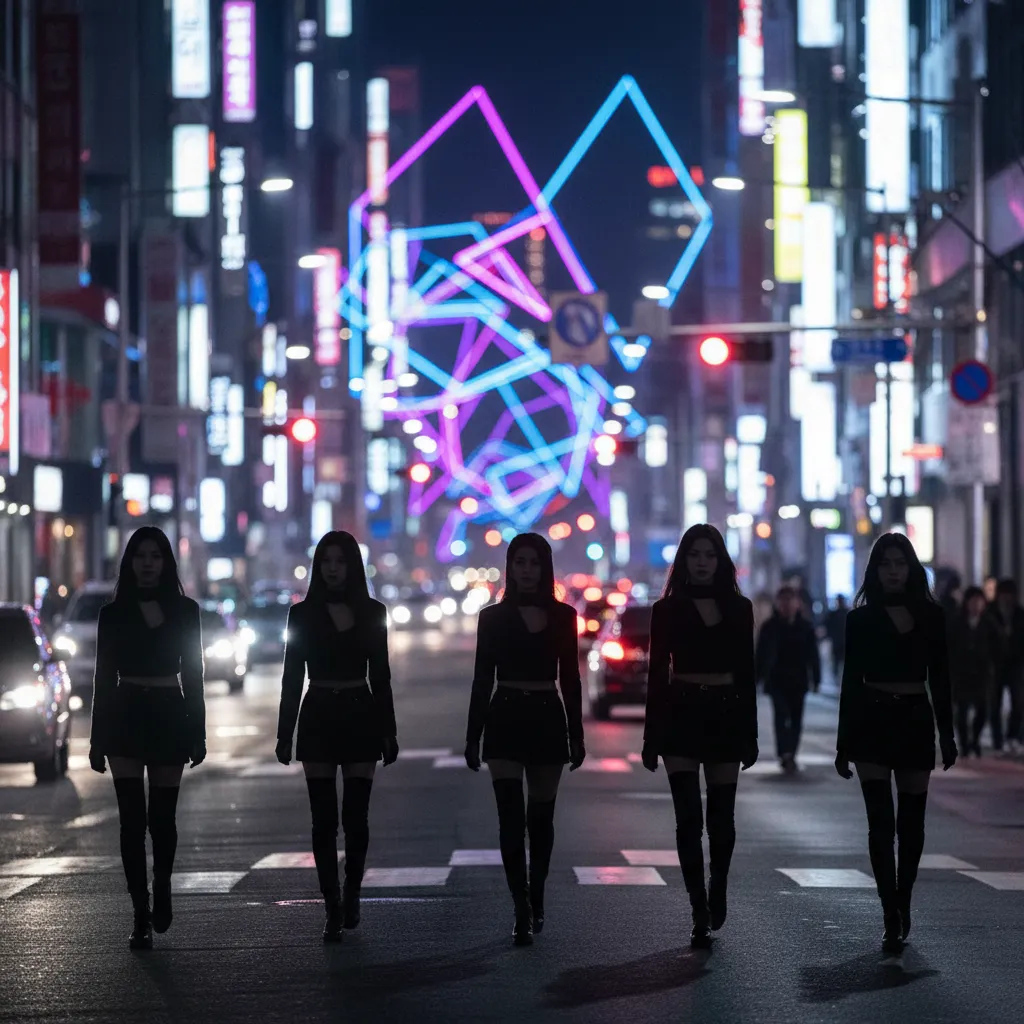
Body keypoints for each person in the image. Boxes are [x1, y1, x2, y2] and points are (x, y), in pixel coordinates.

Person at [835, 533, 956, 954]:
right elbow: (850, 681)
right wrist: (842, 742)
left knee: (913, 825)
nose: (892, 570)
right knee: (880, 824)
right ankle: (889, 908)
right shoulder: (860, 619)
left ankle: (904, 897)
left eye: (899, 563)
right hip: (870, 718)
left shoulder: (931, 615)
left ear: (911, 568)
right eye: (885, 564)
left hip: (915, 718)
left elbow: (940, 679)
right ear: (875, 570)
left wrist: (949, 734)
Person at [275, 531, 398, 942]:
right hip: (318, 713)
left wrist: (389, 732)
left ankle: (354, 892)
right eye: (326, 561)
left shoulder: (373, 611)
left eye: (340, 561)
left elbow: (381, 676)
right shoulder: (302, 615)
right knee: (323, 820)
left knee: (356, 818)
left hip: (361, 711)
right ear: (317, 566)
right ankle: (331, 904)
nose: (332, 568)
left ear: (352, 567)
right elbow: (292, 678)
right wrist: (283, 734)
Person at [465, 533, 585, 946]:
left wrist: (577, 734)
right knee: (510, 820)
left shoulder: (564, 616)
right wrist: (472, 736)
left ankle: (538, 893)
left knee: (541, 820)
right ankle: (520, 905)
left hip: (548, 716)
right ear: (509, 568)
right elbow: (482, 679)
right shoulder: (492, 618)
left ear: (544, 568)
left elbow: (571, 678)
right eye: (519, 563)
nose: (527, 570)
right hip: (505, 715)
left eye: (534, 563)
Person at [89, 527, 206, 950]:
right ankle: (139, 911)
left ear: (166, 562)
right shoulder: (112, 613)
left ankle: (163, 885)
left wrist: (199, 732)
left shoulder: (185, 611)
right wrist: (96, 739)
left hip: (169, 713)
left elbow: (194, 674)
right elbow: (103, 678)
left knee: (163, 819)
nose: (148, 563)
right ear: (129, 562)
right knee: (131, 823)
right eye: (140, 555)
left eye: (155, 555)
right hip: (124, 714)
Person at [641, 524, 758, 949]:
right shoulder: (666, 609)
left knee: (721, 818)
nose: (703, 562)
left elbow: (747, 674)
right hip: (681, 712)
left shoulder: (740, 608)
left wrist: (752, 734)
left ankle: (718, 885)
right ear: (684, 562)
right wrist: (650, 738)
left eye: (709, 555)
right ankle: (697, 907)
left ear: (721, 561)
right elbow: (656, 676)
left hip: (726, 712)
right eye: (695, 555)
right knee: (688, 818)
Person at [755, 585, 821, 772]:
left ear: (797, 603)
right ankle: (784, 753)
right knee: (781, 716)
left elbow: (813, 655)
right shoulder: (769, 627)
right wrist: (757, 677)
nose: (787, 605)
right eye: (783, 601)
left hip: (798, 679)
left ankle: (792, 752)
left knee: (796, 718)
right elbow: (760, 654)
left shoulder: (805, 627)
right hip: (777, 679)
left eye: (790, 601)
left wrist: (816, 679)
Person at [950, 586, 999, 757]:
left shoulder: (989, 623)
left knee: (982, 710)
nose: (976, 605)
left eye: (979, 601)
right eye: (973, 601)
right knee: (961, 712)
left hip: (982, 674)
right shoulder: (957, 622)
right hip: (962, 674)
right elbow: (948, 646)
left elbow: (998, 646)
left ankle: (975, 740)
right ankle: (964, 744)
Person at [990, 579, 1024, 755]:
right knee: (994, 703)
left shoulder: (1019, 614)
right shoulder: (991, 613)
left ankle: (1013, 737)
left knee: (1018, 703)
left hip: (1015, 664)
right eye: (1004, 594)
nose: (1007, 598)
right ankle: (997, 741)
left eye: (1009, 595)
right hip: (996, 664)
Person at [825, 595, 849, 680]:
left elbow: (828, 626)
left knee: (837, 661)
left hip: (840, 641)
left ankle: (837, 678)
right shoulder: (847, 613)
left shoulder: (834, 614)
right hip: (843, 641)